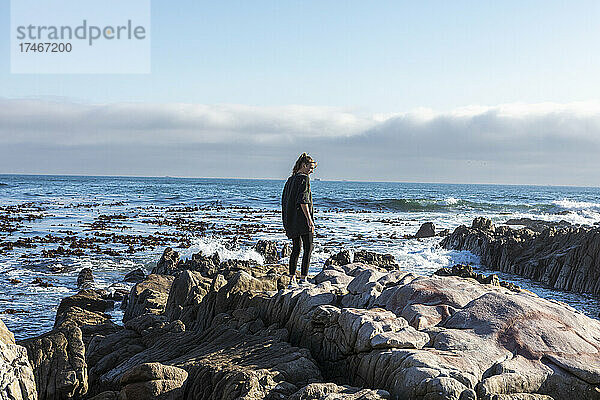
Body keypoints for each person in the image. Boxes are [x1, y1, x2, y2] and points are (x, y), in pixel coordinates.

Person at [281, 153, 317, 286]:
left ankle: (292, 279)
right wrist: (309, 220)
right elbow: (303, 201)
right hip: (302, 220)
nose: (312, 171)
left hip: (291, 220)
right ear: (304, 165)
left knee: (296, 249)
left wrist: (286, 220)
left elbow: (284, 201)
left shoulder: (290, 180)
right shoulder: (304, 179)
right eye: (311, 167)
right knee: (308, 248)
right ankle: (303, 279)